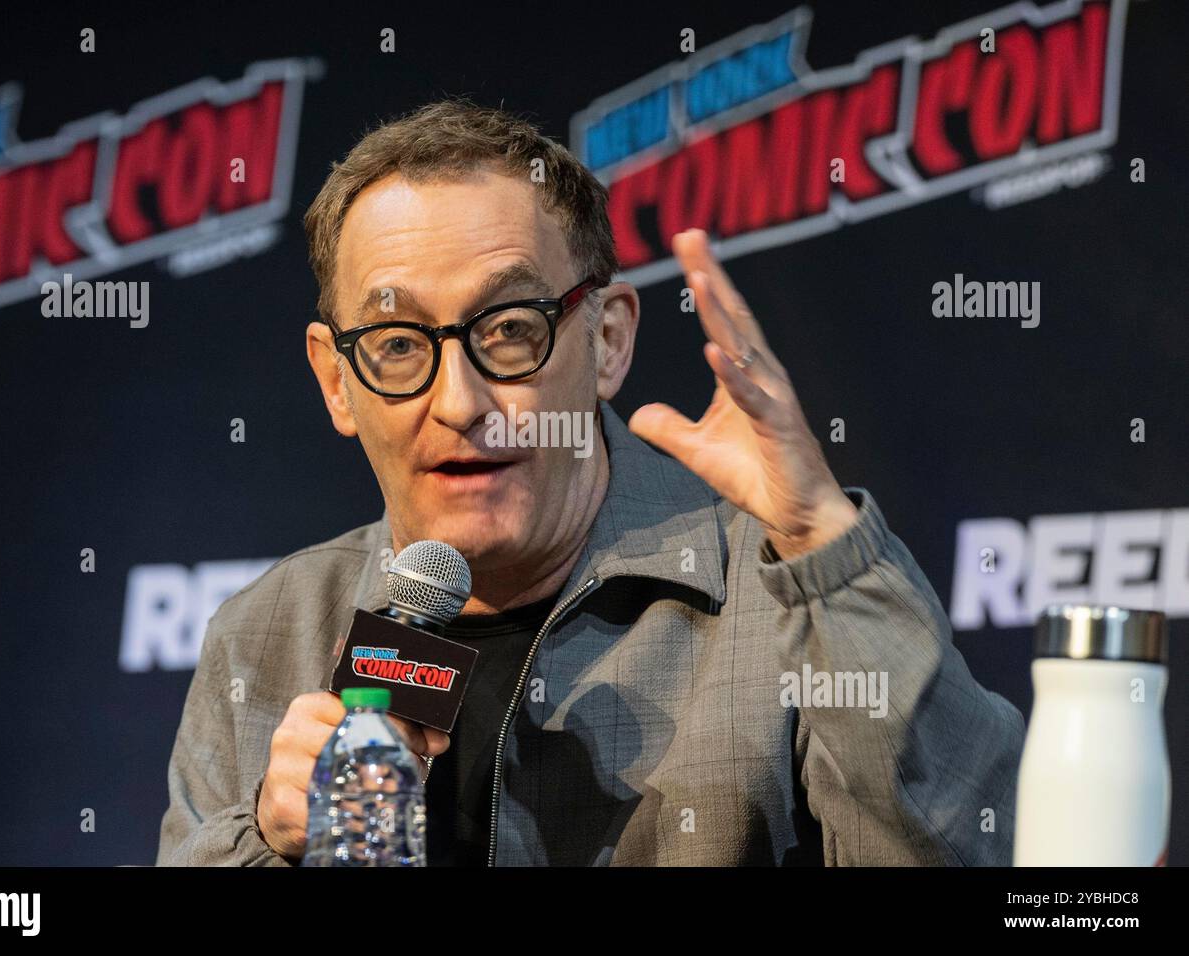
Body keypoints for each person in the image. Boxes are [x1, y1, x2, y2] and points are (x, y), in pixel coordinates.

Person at [155, 99, 1025, 866]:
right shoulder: (266, 632)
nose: (459, 403)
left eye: (508, 329)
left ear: (607, 340)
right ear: (337, 381)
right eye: (396, 345)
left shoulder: (786, 604)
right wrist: (275, 849)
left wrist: (825, 545)